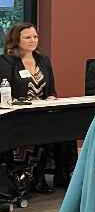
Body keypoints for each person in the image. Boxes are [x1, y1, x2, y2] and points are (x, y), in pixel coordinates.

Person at [0, 22, 72, 194]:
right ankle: (22, 177)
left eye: (35, 37)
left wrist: (51, 97)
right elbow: (4, 90)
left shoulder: (43, 59)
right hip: (18, 115)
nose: (32, 40)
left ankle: (39, 176)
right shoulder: (7, 61)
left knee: (58, 132)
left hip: (41, 112)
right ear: (16, 40)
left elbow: (51, 88)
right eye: (27, 37)